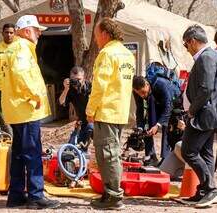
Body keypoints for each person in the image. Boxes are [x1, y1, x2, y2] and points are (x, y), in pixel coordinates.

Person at [1, 15, 60, 209]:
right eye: (37, 30)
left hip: (18, 110)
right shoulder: (22, 49)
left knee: (19, 153)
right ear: (27, 31)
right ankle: (36, 196)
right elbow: (21, 75)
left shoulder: (15, 48)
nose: (40, 33)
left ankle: (16, 195)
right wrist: (34, 96)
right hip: (25, 110)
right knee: (33, 152)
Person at [86, 17, 135, 210]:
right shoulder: (127, 54)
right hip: (120, 111)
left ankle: (114, 196)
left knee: (107, 155)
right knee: (111, 154)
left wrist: (90, 109)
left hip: (106, 111)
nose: (96, 39)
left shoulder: (107, 54)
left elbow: (99, 85)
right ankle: (109, 193)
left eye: (97, 35)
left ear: (105, 34)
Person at [181, 24, 217, 207]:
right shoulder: (211, 56)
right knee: (205, 154)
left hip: (203, 114)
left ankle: (211, 189)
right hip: (209, 114)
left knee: (188, 151)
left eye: (186, 44)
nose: (186, 49)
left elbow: (206, 88)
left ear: (193, 41)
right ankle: (204, 191)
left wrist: (191, 110)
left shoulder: (206, 58)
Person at [133, 75, 181, 165]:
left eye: (143, 92)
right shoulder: (137, 91)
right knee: (147, 126)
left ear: (147, 84)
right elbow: (139, 109)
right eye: (139, 93)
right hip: (155, 100)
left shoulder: (161, 84)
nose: (142, 96)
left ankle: (165, 158)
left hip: (172, 102)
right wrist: (140, 126)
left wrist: (158, 124)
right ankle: (151, 156)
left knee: (166, 126)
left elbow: (168, 107)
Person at [59, 66, 93, 150]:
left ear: (84, 78)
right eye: (74, 80)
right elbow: (61, 102)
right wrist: (66, 89)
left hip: (94, 120)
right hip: (82, 121)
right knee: (72, 147)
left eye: (79, 79)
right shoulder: (70, 90)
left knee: (90, 128)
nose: (76, 82)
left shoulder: (90, 86)